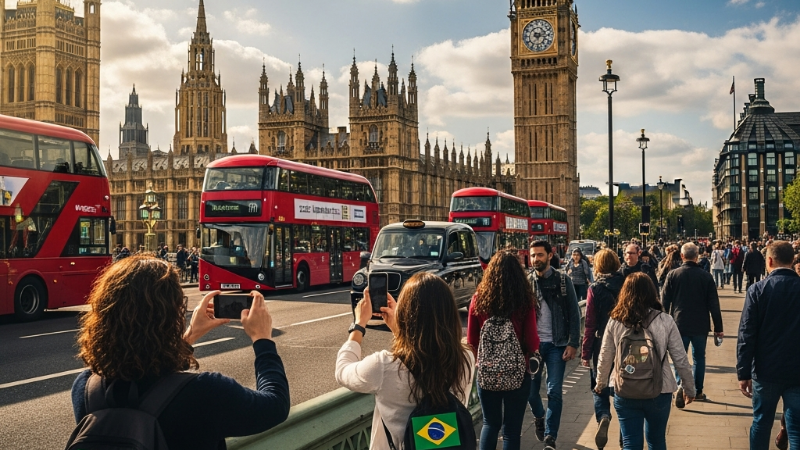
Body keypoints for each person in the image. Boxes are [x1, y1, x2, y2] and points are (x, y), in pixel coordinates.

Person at [71, 256, 289, 449]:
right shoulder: (206, 392)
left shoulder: (86, 389)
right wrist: (262, 340)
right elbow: (274, 405)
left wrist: (190, 335)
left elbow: (147, 373)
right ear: (172, 314)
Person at [336, 272, 474, 450]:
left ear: (406, 314)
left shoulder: (383, 366)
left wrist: (359, 324)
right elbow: (424, 358)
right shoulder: (466, 357)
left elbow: (342, 371)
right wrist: (400, 330)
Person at [595, 273, 696, 449]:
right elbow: (680, 358)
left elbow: (605, 355)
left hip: (625, 388)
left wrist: (600, 383)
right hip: (660, 389)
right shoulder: (665, 320)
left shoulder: (615, 321)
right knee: (656, 441)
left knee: (630, 442)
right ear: (652, 292)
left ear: (624, 293)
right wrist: (689, 388)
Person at [468, 251, 539, 450]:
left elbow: (472, 340)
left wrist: (483, 361)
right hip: (518, 372)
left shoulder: (478, 299)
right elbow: (533, 341)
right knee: (511, 430)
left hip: (487, 371)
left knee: (490, 423)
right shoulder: (524, 300)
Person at [737, 241, 800, 450]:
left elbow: (747, 333)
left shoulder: (757, 290)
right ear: (792, 260)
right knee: (797, 428)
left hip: (766, 370)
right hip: (797, 370)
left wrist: (743, 372)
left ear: (769, 260)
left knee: (761, 423)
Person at [527, 240, 581, 450]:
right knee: (531, 394)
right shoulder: (527, 281)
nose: (535, 259)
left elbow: (575, 316)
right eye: (533, 256)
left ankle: (550, 436)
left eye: (539, 255)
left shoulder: (562, 280)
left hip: (557, 344)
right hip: (534, 346)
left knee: (554, 391)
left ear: (550, 256)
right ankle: (540, 417)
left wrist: (573, 343)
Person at [661, 243, 723, 404]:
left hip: (679, 323)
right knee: (699, 358)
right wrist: (718, 328)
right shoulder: (706, 276)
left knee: (678, 357)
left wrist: (662, 322)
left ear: (682, 256)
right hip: (700, 324)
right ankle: (697, 390)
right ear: (697, 256)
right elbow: (714, 305)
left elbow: (664, 302)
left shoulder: (673, 275)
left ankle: (680, 385)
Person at [581, 249, 624, 449]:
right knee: (623, 388)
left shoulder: (594, 289)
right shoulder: (626, 283)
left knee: (599, 386)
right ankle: (625, 436)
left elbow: (590, 323)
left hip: (601, 343)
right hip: (625, 343)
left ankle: (603, 416)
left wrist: (585, 352)